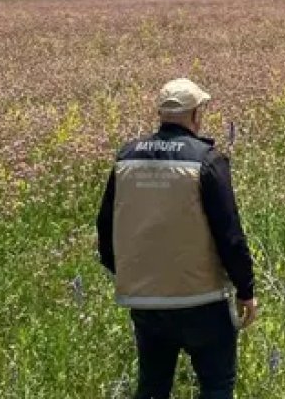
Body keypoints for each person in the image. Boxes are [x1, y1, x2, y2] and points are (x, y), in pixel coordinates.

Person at [97, 78, 258, 399]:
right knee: (216, 386)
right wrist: (246, 289)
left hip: (146, 300)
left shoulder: (125, 159)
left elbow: (105, 226)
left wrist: (127, 274)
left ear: (161, 113)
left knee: (153, 388)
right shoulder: (206, 161)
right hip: (202, 299)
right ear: (196, 114)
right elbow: (230, 235)